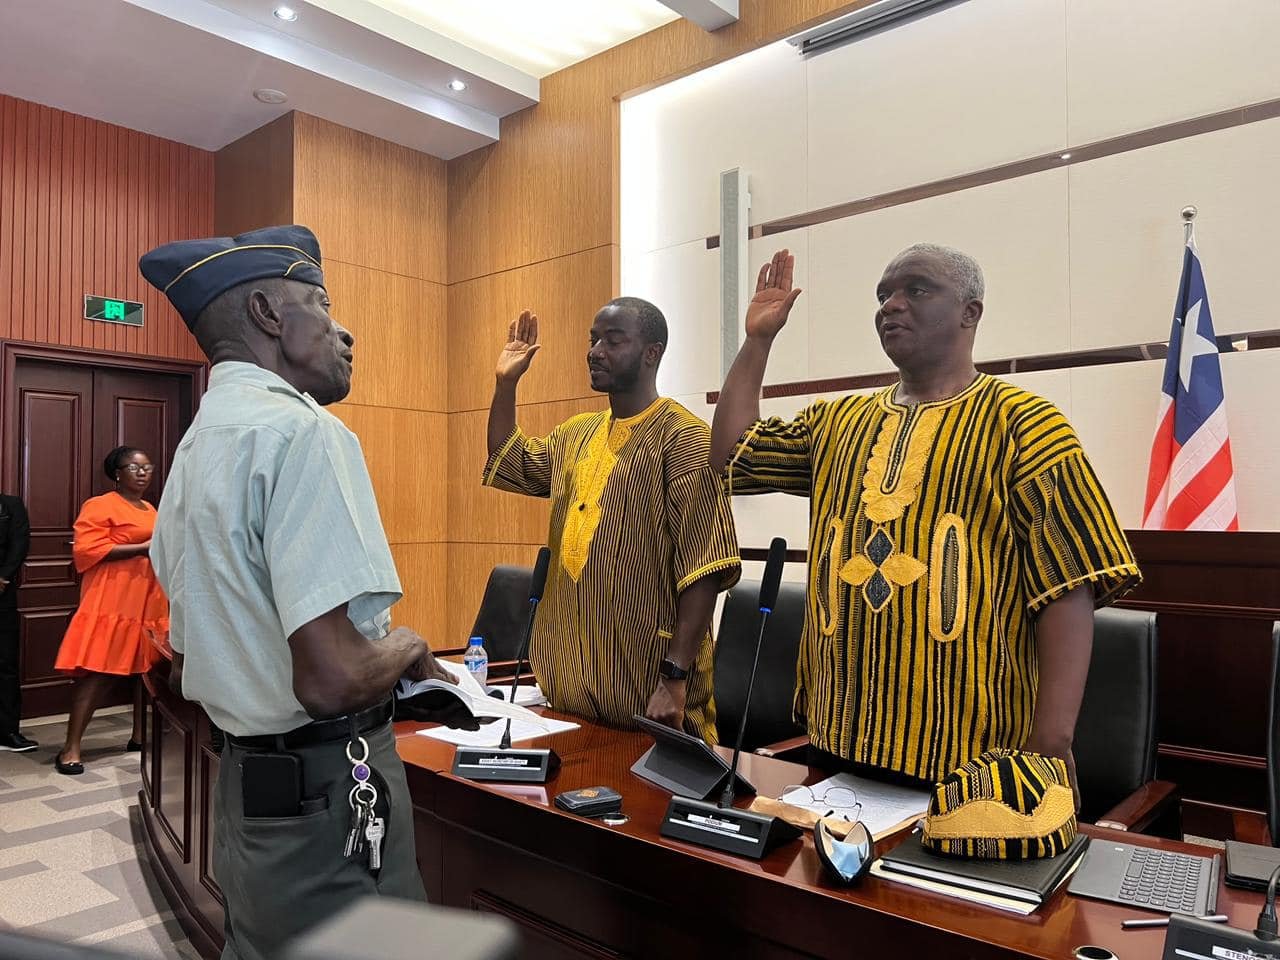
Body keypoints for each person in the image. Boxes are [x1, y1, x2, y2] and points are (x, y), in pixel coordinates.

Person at [710, 245, 1141, 792]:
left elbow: (1069, 583)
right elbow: (732, 455)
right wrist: (758, 340)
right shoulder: (838, 421)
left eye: (916, 290)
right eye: (883, 295)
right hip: (836, 743)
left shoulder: (1025, 424)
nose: (891, 305)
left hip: (972, 761)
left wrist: (1051, 744)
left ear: (970, 312)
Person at [141, 224, 454, 960]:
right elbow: (331, 680)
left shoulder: (194, 450)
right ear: (268, 314)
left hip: (244, 789)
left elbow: (187, 663)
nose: (345, 332)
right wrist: (407, 644)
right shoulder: (303, 433)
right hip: (330, 787)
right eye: (323, 304)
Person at [483, 299, 740, 742]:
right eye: (593, 339)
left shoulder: (684, 438)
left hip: (649, 700)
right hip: (568, 697)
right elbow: (512, 462)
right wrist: (506, 384)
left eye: (613, 341)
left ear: (652, 353)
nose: (595, 351)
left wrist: (674, 677)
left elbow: (705, 567)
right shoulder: (575, 434)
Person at [53, 447, 168, 774]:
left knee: (147, 670)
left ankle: (139, 736)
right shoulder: (100, 504)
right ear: (117, 473)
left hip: (148, 596)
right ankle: (70, 748)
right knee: (99, 672)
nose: (143, 473)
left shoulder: (150, 508)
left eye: (147, 467)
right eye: (134, 467)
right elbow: (86, 550)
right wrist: (142, 549)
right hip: (113, 598)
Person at [0, 492, 32, 752]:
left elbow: (19, 542)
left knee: (5, 662)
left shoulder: (10, 505)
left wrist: (4, 576)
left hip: (2, 593)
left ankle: (8, 730)